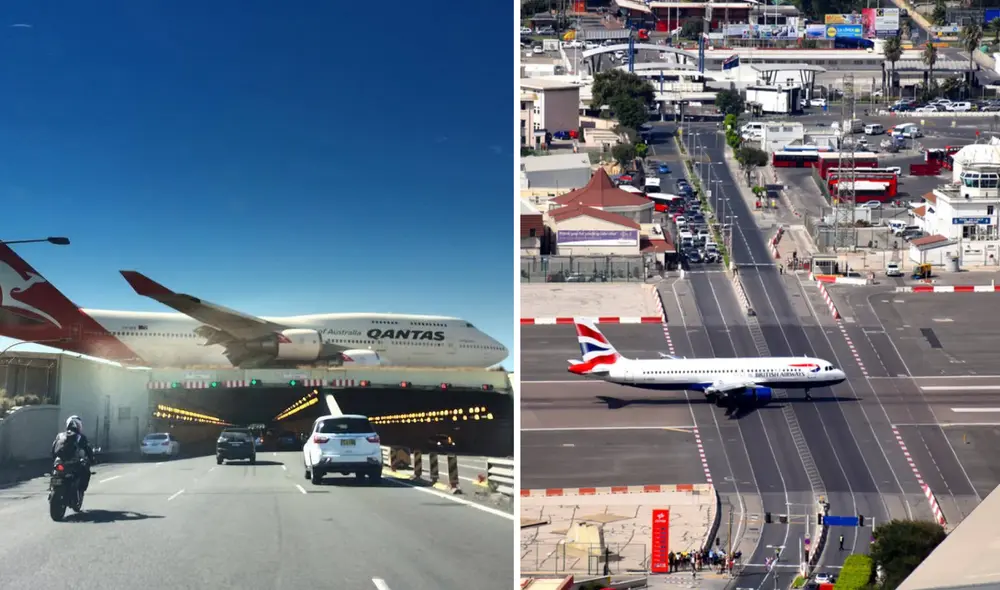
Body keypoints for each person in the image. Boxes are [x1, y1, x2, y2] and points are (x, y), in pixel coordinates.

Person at [51, 415, 95, 493]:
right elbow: (88, 450)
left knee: (55, 473)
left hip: (60, 463)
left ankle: (53, 489)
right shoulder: (81, 437)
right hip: (73, 464)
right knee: (86, 472)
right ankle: (80, 491)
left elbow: (53, 449)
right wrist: (92, 459)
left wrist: (54, 459)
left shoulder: (60, 435)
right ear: (78, 425)